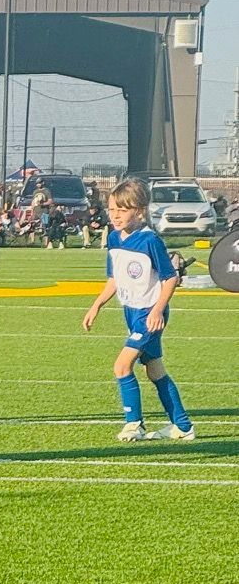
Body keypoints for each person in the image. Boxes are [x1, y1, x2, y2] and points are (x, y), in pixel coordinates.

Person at [82, 178, 195, 443]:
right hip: (131, 312)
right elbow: (114, 279)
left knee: (122, 366)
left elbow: (169, 278)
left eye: (123, 210)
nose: (116, 215)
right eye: (112, 209)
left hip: (149, 314)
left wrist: (157, 310)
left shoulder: (150, 240)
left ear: (140, 211)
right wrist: (96, 305)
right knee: (154, 370)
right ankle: (183, 426)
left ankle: (134, 424)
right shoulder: (113, 238)